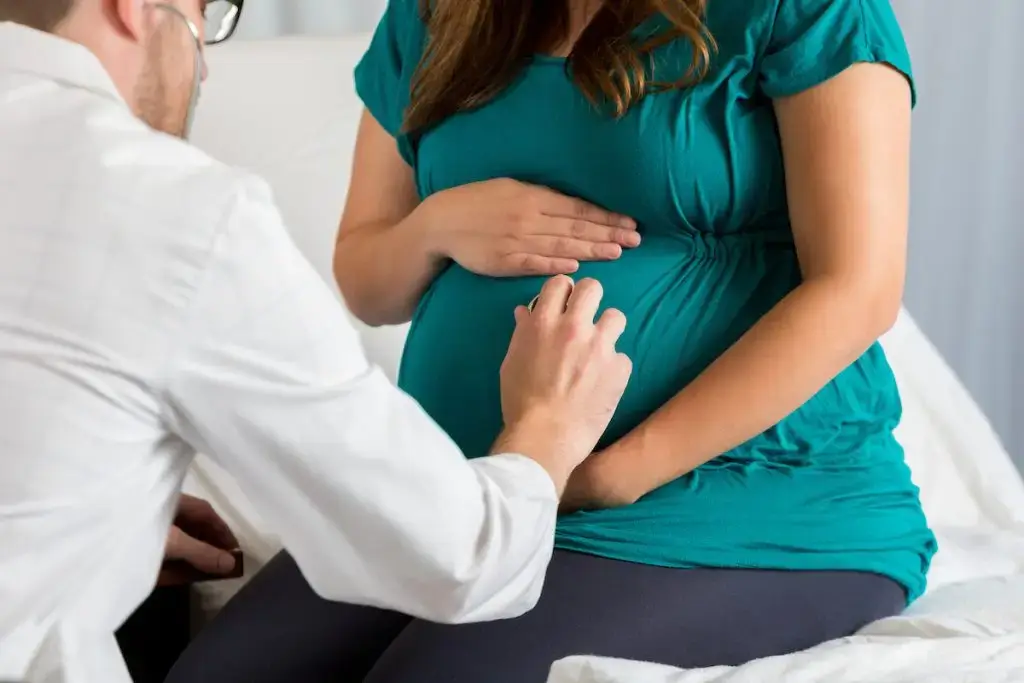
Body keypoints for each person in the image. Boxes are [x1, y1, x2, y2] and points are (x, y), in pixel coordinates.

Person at [170, 0, 941, 681]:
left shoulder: (804, 8)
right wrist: (440, 223)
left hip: (745, 502)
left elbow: (856, 289)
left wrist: (608, 474)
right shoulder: (437, 14)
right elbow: (368, 282)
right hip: (467, 496)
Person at [0, 0, 635, 681]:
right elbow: (458, 558)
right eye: (203, 18)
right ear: (133, 8)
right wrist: (545, 430)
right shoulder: (182, 209)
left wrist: (86, 514)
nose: (205, 64)